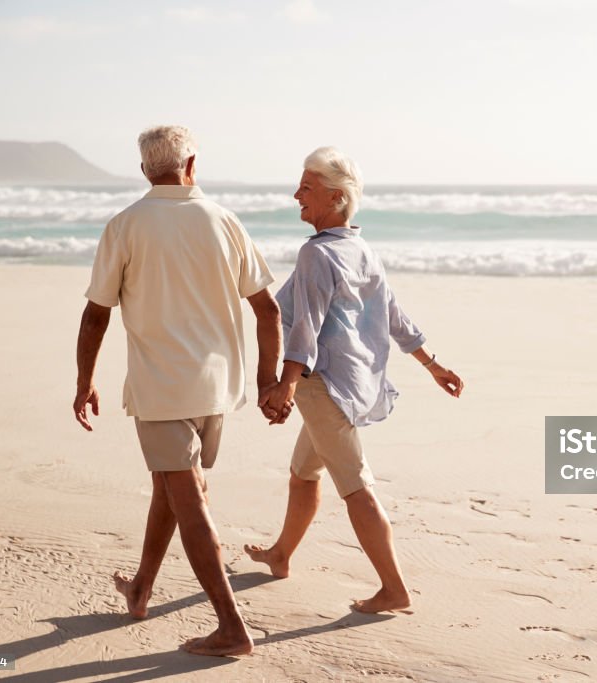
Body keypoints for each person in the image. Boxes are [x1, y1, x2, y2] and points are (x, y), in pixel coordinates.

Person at [74, 125, 289, 656]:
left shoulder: (125, 225)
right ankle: (142, 589)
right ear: (192, 164)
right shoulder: (225, 221)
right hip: (217, 389)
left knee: (187, 497)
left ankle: (232, 628)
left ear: (145, 170)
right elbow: (268, 311)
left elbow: (96, 315)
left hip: (161, 389)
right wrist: (266, 382)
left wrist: (84, 382)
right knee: (170, 488)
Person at [245, 146, 464, 613]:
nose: (296, 194)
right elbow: (393, 316)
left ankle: (393, 588)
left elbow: (305, 327)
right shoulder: (361, 248)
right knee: (303, 473)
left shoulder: (316, 255)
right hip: (345, 381)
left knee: (355, 485)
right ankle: (281, 554)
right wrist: (432, 363)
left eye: (307, 187)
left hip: (322, 385)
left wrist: (284, 384)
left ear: (337, 197)